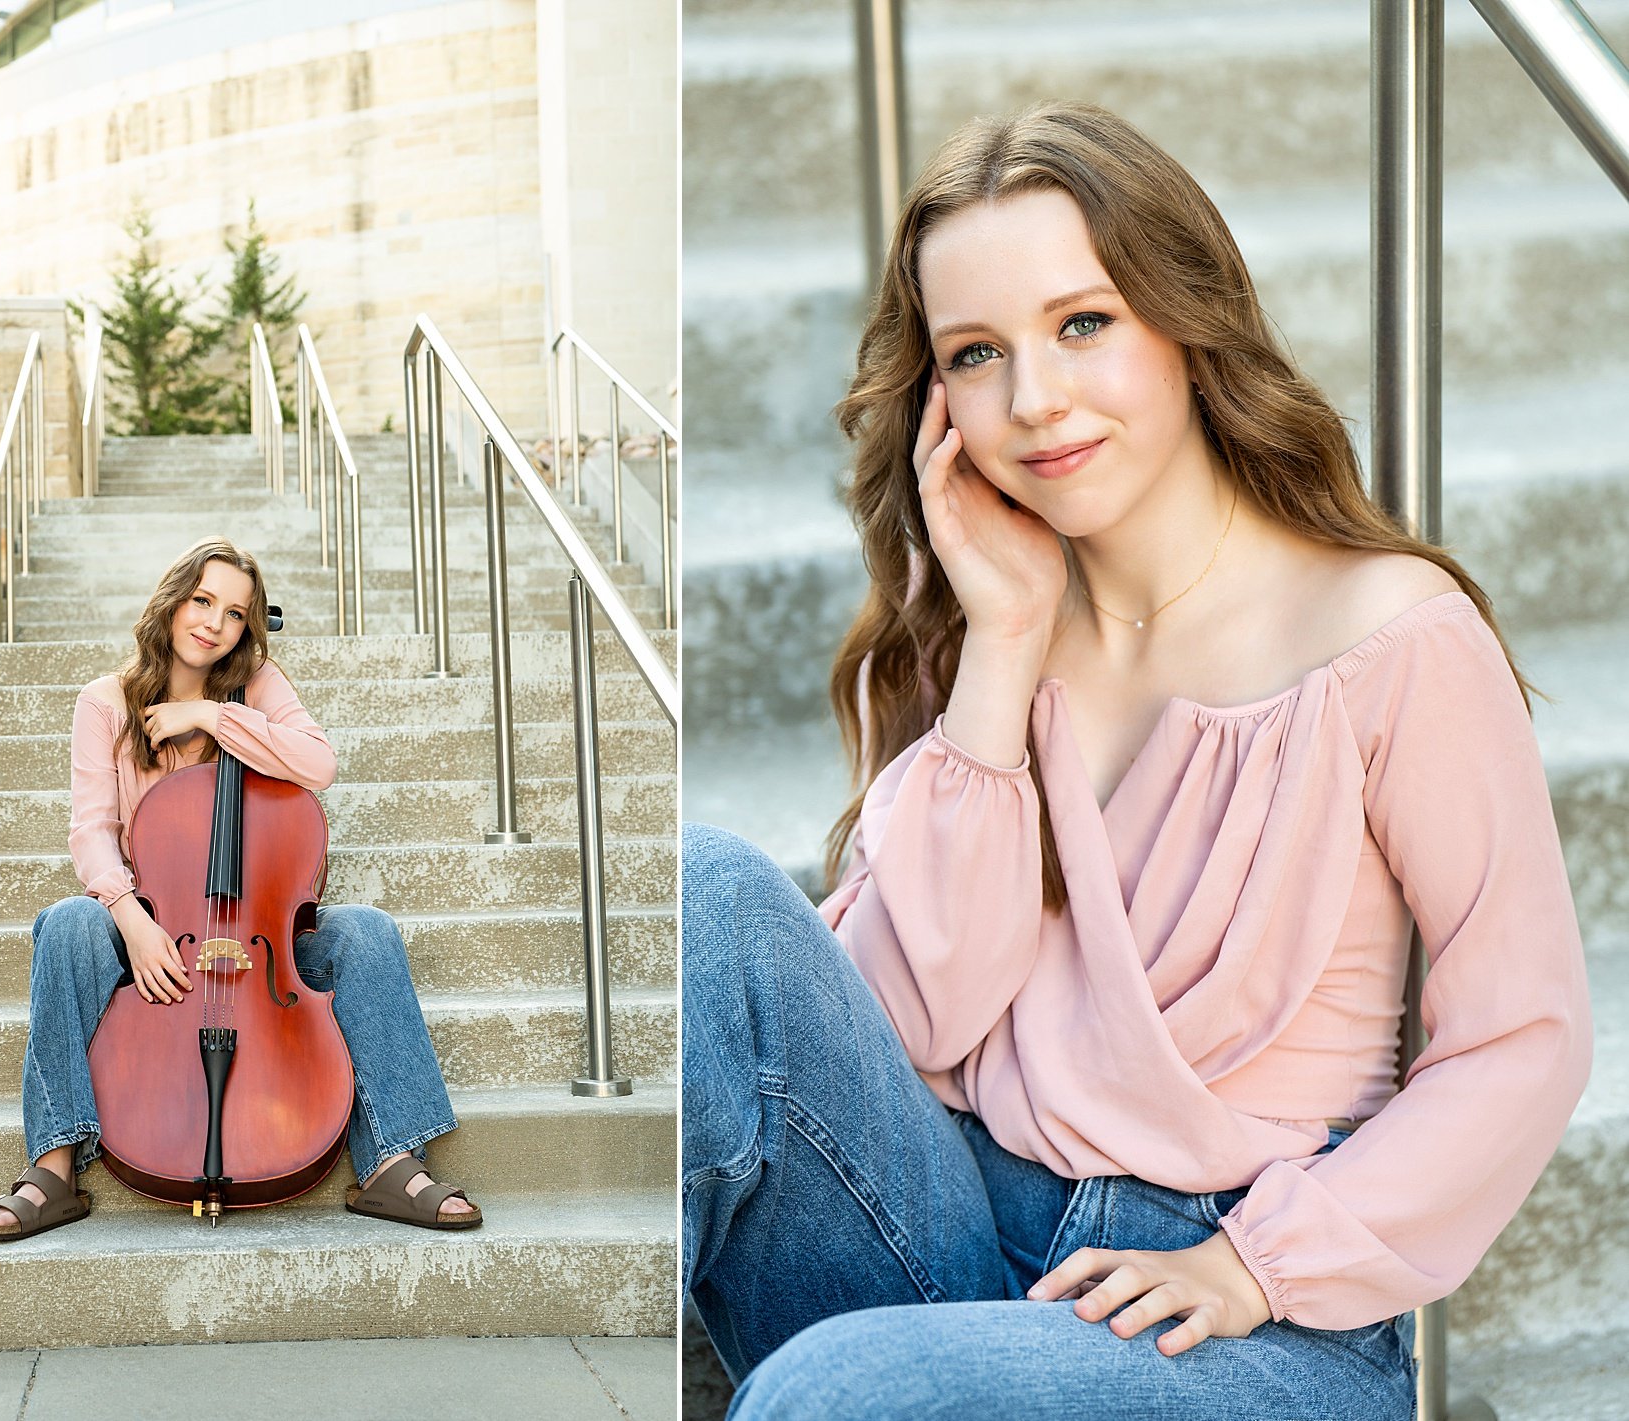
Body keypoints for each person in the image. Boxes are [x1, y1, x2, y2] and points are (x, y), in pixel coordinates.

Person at [682, 101, 1592, 1418]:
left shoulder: (1387, 637)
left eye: (1084, 323)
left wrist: (1254, 1261)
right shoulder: (987, 630)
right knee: (710, 894)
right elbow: (910, 1022)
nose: (1035, 400)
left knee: (831, 1392)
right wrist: (1000, 649)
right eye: (978, 353)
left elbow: (1527, 1038)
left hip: (1245, 1317)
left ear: (1184, 315)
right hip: (959, 1223)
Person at [0, 537, 481, 1239]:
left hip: (262, 932)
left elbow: (318, 763)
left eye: (236, 613)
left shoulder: (259, 688)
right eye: (202, 600)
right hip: (155, 928)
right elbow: (91, 831)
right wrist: (133, 919)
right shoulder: (105, 703)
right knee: (65, 924)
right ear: (173, 598)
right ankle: (55, 1164)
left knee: (367, 930)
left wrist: (211, 716)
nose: (214, 622)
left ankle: (391, 1158)